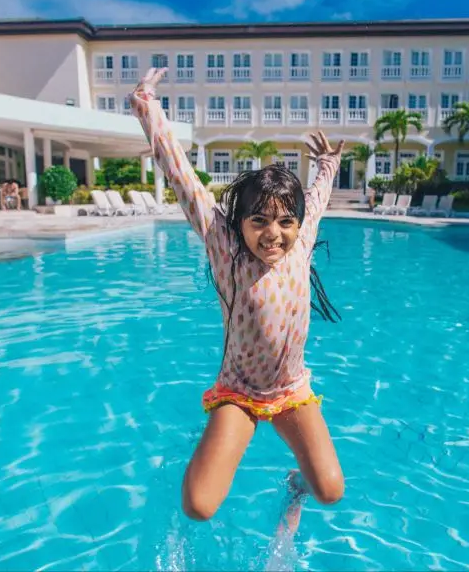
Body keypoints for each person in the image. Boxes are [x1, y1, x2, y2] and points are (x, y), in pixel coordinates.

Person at [130, 68, 345, 524]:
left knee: (329, 492)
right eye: (259, 221)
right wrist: (147, 105)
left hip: (291, 391)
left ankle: (296, 483)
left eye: (285, 222)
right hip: (240, 392)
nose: (274, 234)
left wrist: (328, 163)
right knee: (199, 507)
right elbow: (180, 173)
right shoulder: (225, 249)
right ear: (240, 222)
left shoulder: (301, 242)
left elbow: (319, 197)